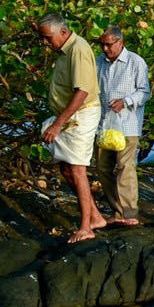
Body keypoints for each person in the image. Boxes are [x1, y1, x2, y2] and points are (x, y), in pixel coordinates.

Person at [36, 13, 106, 243]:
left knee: (77, 168)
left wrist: (57, 125)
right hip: (69, 116)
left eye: (48, 38)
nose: (45, 43)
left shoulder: (78, 49)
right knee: (65, 167)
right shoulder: (66, 50)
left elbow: (82, 91)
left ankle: (86, 227)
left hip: (82, 114)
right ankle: (95, 217)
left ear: (64, 32)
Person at [93, 24, 149, 227]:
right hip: (103, 125)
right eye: (102, 45)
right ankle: (117, 211)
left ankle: (129, 212)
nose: (105, 49)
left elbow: (145, 92)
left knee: (125, 166)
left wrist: (125, 101)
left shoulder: (136, 61)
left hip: (128, 125)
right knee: (103, 168)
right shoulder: (98, 62)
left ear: (120, 42)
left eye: (109, 45)